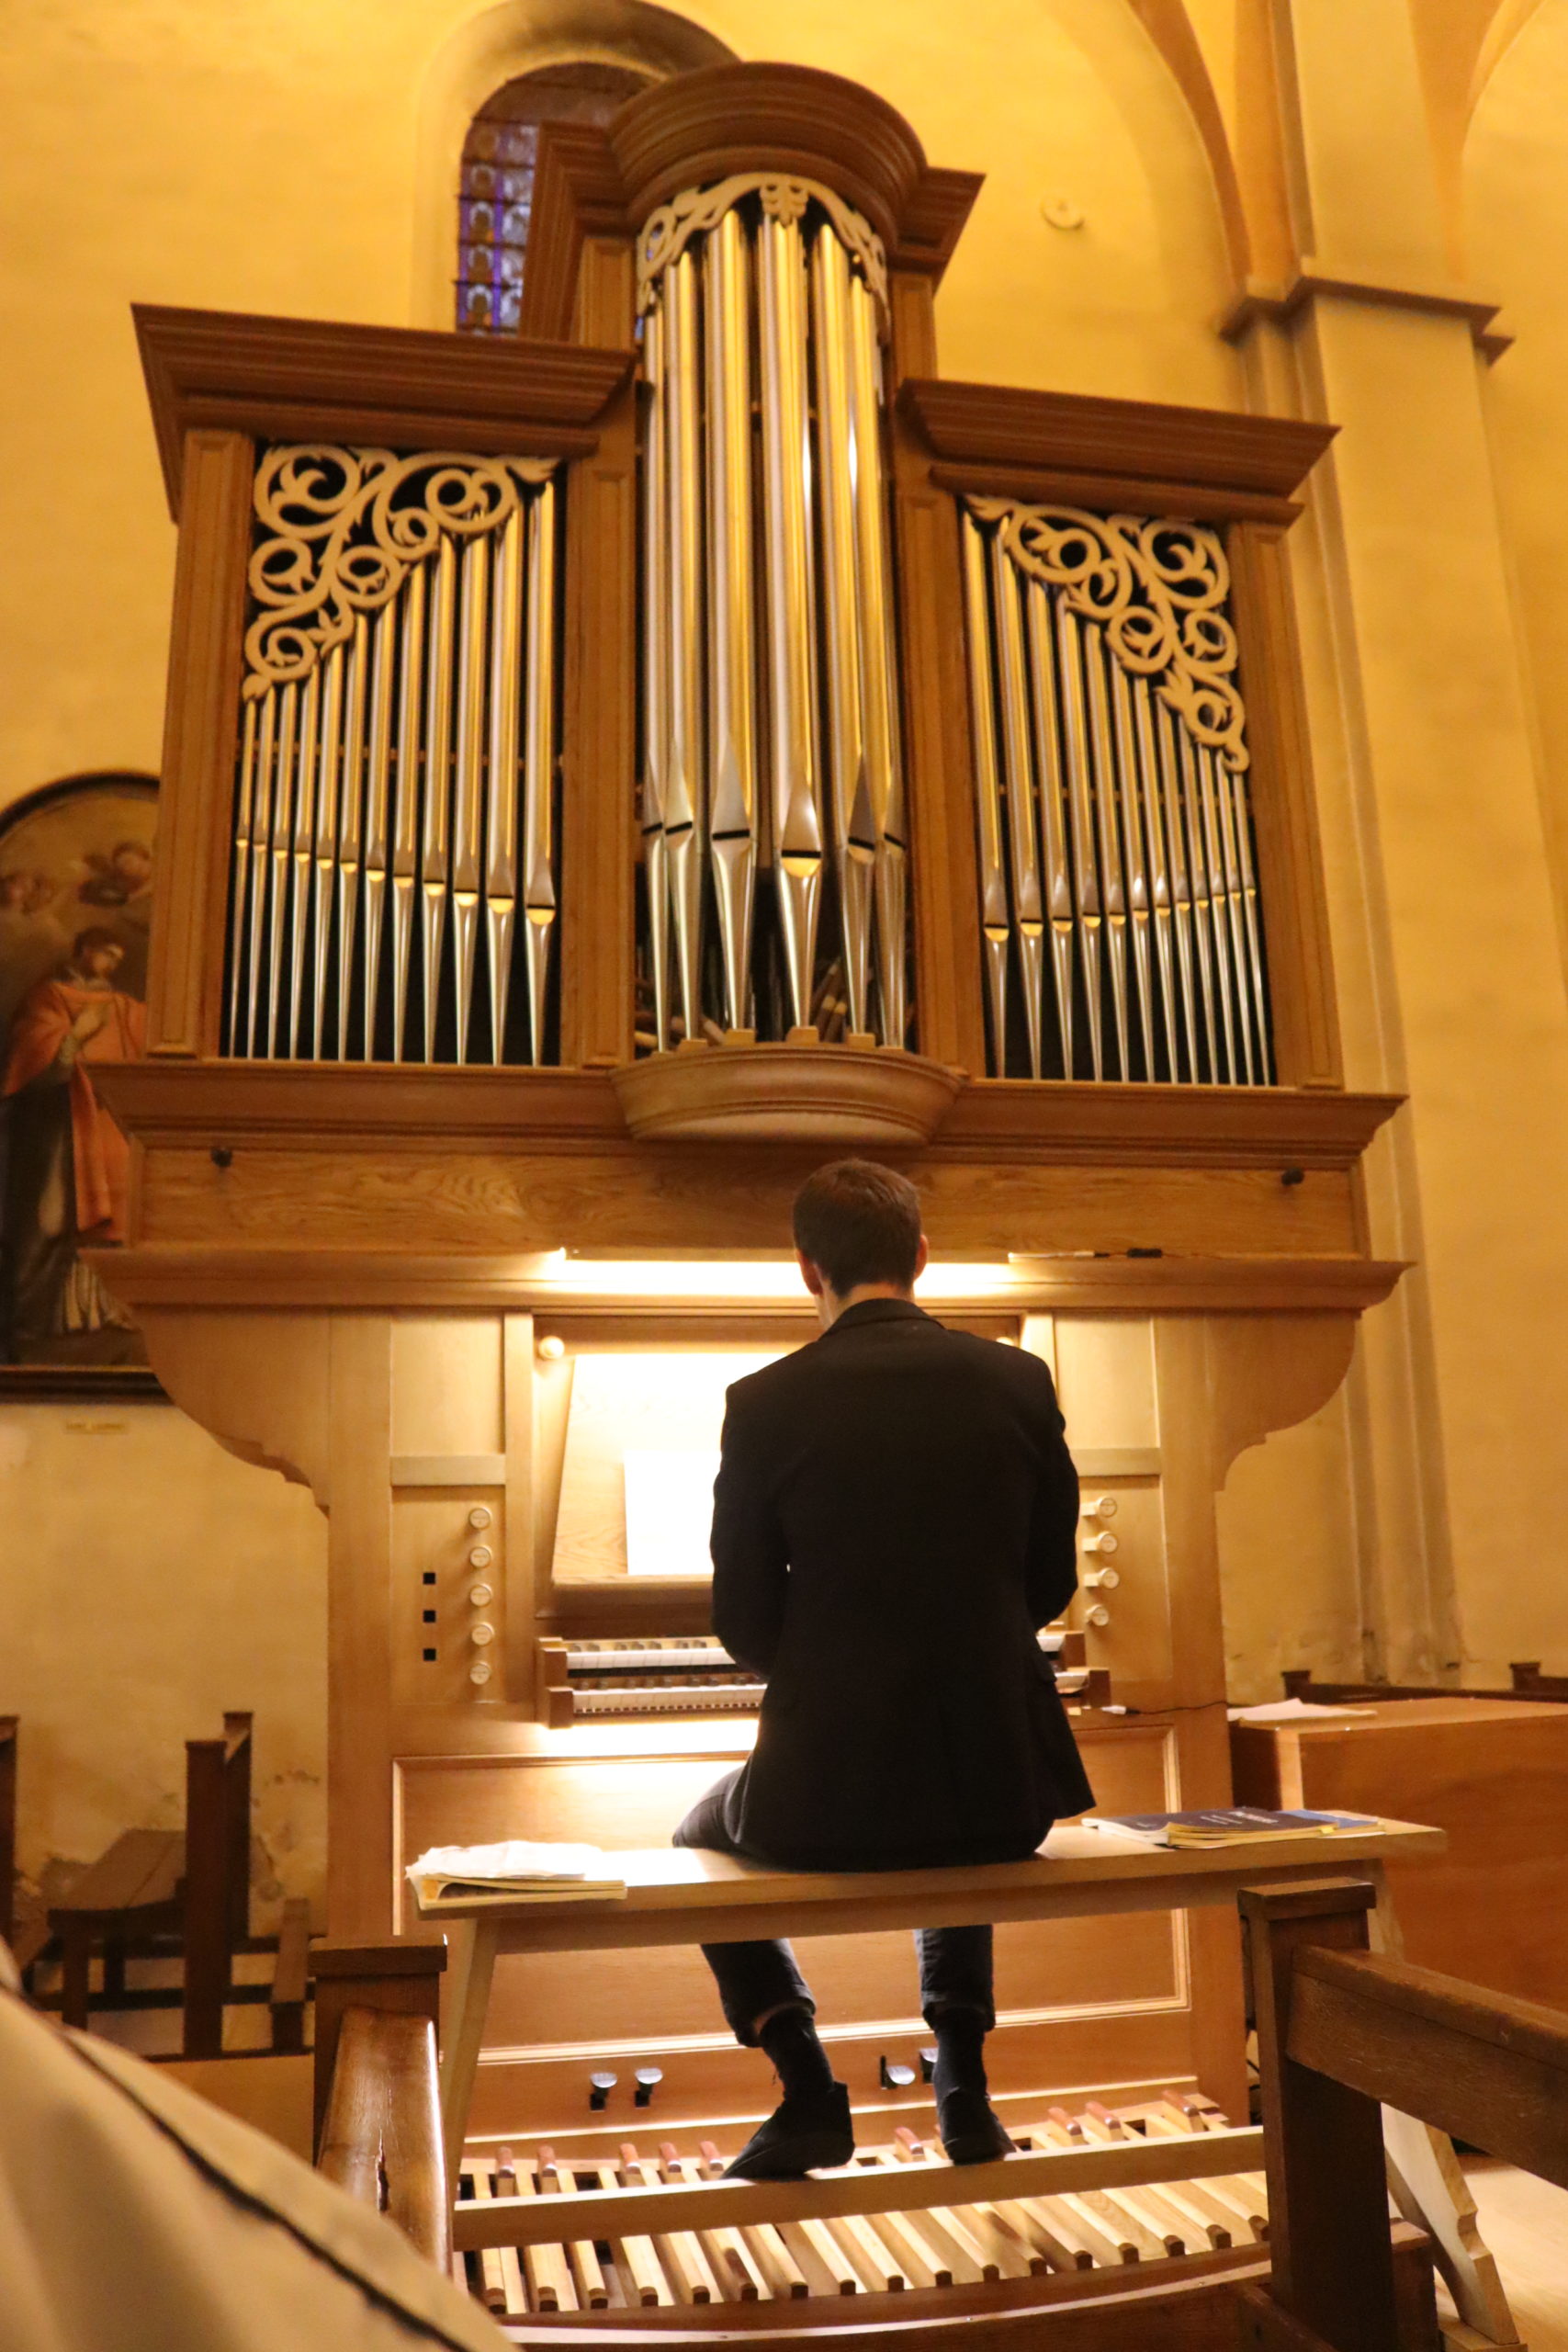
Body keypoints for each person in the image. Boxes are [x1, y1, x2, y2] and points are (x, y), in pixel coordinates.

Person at [673, 1158, 1092, 2180]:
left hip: (824, 1803)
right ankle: (964, 2087)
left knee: (692, 1836)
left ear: (805, 1267)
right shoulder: (1017, 1378)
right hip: (1005, 1792)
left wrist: (827, 1677)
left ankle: (807, 2089)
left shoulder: (763, 1401)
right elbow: (1049, 1585)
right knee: (950, 1807)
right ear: (921, 1256)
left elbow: (742, 1623)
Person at [0, 926, 145, 1356]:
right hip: (63, 1129)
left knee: (119, 1217)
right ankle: (40, 1324)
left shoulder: (122, 1006)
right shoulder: (49, 997)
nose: (111, 966)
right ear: (84, 951)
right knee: (51, 1218)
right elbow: (33, 1063)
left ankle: (105, 1312)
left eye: (117, 960)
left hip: (108, 1126)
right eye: (105, 956)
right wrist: (75, 1037)